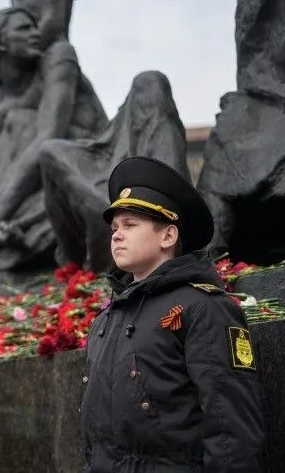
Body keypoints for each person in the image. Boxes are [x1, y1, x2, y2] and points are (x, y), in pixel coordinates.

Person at [80, 156, 265, 472]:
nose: (116, 235)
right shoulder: (106, 318)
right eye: (114, 227)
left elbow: (231, 435)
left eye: (130, 225)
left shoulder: (205, 308)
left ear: (168, 235)